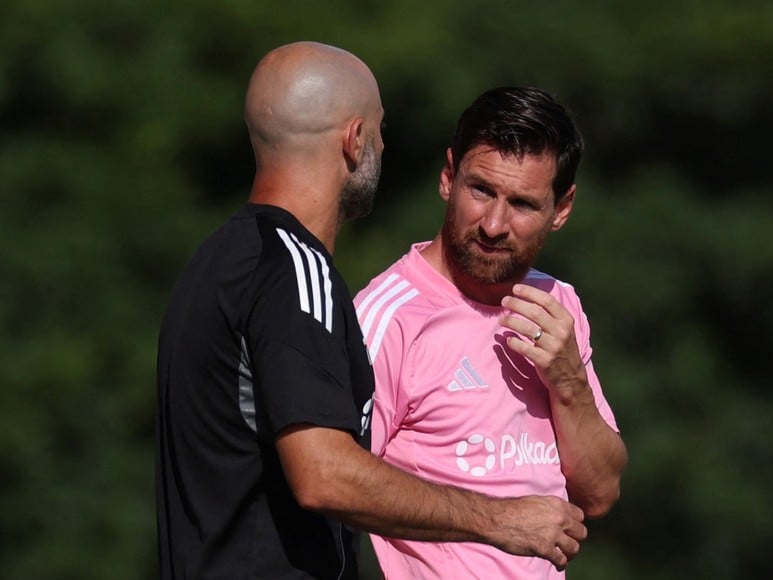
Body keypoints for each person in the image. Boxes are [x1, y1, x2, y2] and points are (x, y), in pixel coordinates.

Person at [156, 44, 589, 580]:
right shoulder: (296, 273)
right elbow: (324, 474)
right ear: (355, 139)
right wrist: (499, 520)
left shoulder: (218, 259)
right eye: (381, 130)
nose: (383, 145)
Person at [354, 86, 628, 579]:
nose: (494, 224)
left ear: (561, 209)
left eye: (522, 203)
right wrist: (499, 521)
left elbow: (601, 492)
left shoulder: (557, 306)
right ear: (447, 176)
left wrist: (568, 384)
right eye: (481, 190)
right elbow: (339, 482)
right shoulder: (389, 317)